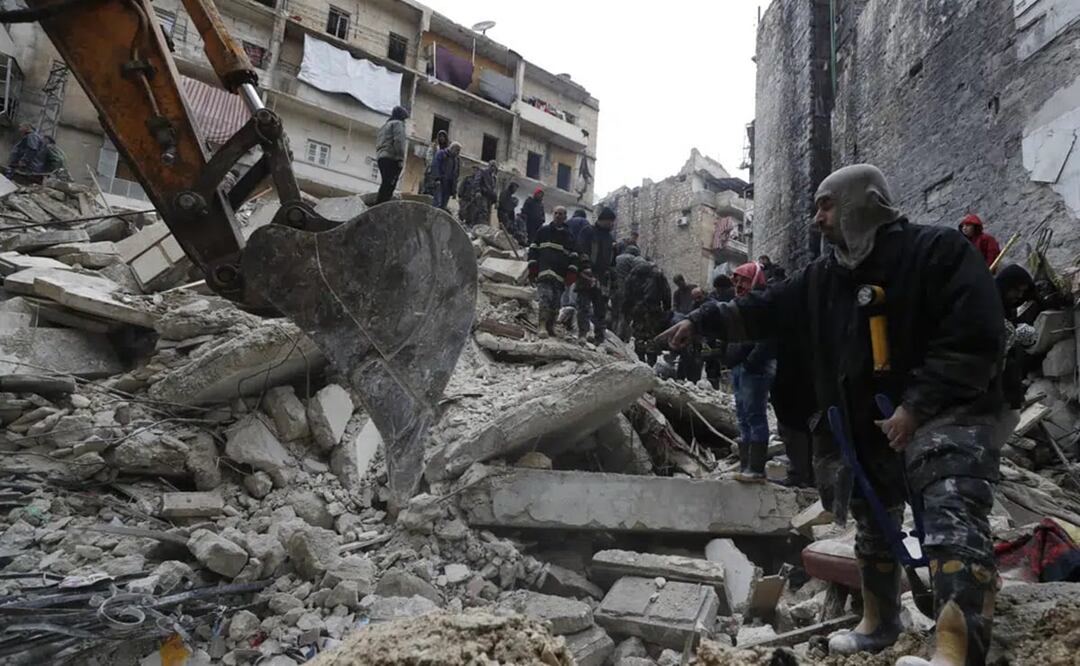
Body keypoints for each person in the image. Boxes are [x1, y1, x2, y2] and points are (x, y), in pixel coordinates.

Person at [658, 164, 1009, 666]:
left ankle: (957, 650)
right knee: (872, 518)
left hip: (947, 413)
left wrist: (917, 405)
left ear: (864, 202)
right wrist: (701, 319)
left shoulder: (938, 254)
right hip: (867, 421)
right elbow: (768, 307)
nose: (816, 217)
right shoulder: (825, 277)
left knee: (951, 516)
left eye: (826, 204)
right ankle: (880, 621)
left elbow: (974, 337)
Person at [722, 262, 775, 483]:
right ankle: (746, 467)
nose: (739, 285)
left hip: (755, 368)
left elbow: (770, 338)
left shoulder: (764, 303)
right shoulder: (739, 304)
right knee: (743, 416)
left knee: (755, 415)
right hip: (739, 366)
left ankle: (756, 469)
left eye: (744, 280)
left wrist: (753, 361)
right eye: (737, 281)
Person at [528, 205, 578, 338]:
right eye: (556, 213)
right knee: (545, 298)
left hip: (560, 275)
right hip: (544, 272)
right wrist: (532, 267)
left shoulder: (569, 237)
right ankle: (542, 325)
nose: (558, 216)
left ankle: (551, 326)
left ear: (565, 217)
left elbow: (574, 256)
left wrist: (572, 272)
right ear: (552, 214)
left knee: (556, 301)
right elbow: (533, 248)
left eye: (561, 214)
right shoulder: (543, 231)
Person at [996, 264, 1038, 411]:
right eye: (1016, 290)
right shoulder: (988, 305)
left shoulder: (1008, 307)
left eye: (1022, 291)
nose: (1019, 296)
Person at [575, 206, 616, 342]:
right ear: (604, 220)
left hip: (602, 278)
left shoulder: (609, 238)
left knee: (600, 309)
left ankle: (599, 338)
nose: (612, 225)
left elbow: (611, 260)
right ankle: (583, 334)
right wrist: (585, 267)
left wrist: (611, 276)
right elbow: (580, 250)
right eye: (610, 222)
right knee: (583, 306)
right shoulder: (588, 231)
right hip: (586, 274)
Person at [628, 261, 671, 365]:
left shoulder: (633, 274)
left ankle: (640, 360)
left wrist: (629, 309)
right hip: (653, 309)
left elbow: (627, 293)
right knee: (653, 335)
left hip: (638, 309)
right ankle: (651, 362)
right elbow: (666, 292)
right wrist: (667, 309)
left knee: (639, 335)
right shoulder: (658, 275)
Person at [375, 106, 409, 204]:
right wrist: (400, 158)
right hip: (392, 157)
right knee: (390, 184)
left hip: (381, 156)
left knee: (385, 182)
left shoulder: (385, 125)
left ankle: (379, 203)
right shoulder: (399, 124)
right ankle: (382, 204)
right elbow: (399, 142)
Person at [611, 244, 645, 340]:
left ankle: (612, 334)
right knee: (624, 314)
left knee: (615, 314)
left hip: (614, 288)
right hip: (625, 290)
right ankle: (619, 337)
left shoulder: (617, 258)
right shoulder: (633, 259)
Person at [462, 161, 498, 227]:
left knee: (487, 213)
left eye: (494, 167)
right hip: (482, 194)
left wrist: (495, 200)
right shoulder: (482, 172)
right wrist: (478, 191)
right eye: (492, 166)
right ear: (489, 165)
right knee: (482, 210)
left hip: (489, 198)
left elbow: (494, 189)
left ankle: (482, 225)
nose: (493, 168)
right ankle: (478, 225)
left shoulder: (493, 178)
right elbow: (476, 182)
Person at [431, 142, 460, 210]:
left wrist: (454, 191)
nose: (458, 153)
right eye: (457, 150)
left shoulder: (456, 160)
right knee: (437, 203)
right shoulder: (441, 153)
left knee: (443, 206)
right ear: (452, 148)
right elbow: (435, 165)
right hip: (440, 182)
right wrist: (436, 179)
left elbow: (456, 175)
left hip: (448, 186)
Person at [421, 129, 449, 195]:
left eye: (443, 136)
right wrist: (433, 166)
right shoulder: (434, 146)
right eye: (440, 136)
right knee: (428, 189)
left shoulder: (447, 149)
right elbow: (429, 157)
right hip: (432, 171)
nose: (442, 138)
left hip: (442, 174)